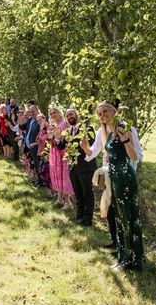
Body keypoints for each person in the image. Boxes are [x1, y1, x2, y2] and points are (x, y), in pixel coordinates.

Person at [82, 101, 144, 270]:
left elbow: (135, 156)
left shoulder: (125, 128)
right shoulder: (105, 132)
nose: (103, 115)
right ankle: (123, 257)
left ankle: (132, 259)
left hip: (124, 177)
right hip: (113, 178)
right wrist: (86, 148)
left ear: (114, 112)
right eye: (100, 113)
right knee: (118, 217)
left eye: (105, 111)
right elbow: (97, 152)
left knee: (127, 217)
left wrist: (125, 141)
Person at [57, 108, 97, 225]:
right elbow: (61, 146)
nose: (70, 117)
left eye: (72, 114)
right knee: (78, 193)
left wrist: (74, 149)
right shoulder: (68, 131)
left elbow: (92, 145)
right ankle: (79, 216)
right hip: (73, 167)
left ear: (77, 115)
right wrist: (57, 137)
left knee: (87, 193)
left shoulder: (87, 129)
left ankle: (87, 220)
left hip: (85, 166)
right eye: (67, 115)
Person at [48, 107, 74, 210]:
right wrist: (51, 140)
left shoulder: (64, 124)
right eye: (51, 113)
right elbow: (55, 141)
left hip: (62, 154)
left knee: (64, 176)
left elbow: (64, 141)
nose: (53, 115)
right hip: (55, 153)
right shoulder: (55, 126)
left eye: (54, 112)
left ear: (59, 113)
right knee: (57, 176)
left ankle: (68, 202)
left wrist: (55, 138)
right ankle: (60, 199)